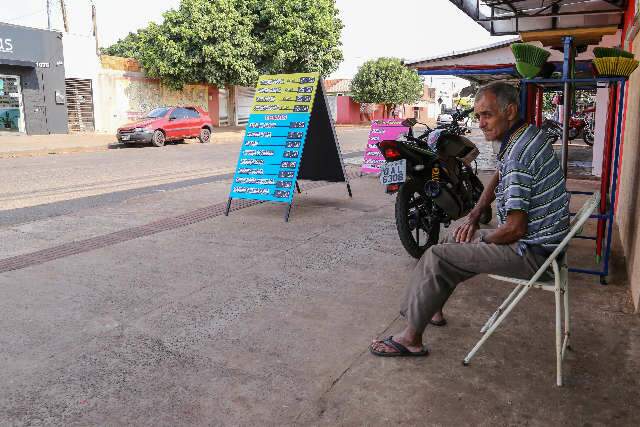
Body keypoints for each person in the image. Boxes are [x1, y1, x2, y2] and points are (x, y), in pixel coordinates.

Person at [369, 81, 570, 357]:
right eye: (477, 117)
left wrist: (482, 238)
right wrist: (474, 215)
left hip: (534, 255)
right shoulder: (525, 136)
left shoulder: (518, 158)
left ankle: (410, 338)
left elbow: (514, 229)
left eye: (487, 115)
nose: (481, 123)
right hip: (543, 245)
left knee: (436, 255)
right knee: (456, 235)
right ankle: (433, 309)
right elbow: (498, 174)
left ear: (509, 111)